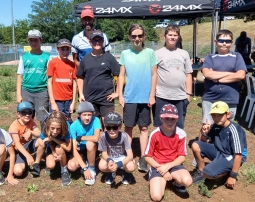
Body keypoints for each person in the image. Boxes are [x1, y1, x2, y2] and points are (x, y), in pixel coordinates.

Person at [118, 23, 158, 173]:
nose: (137, 38)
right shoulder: (124, 54)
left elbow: (154, 74)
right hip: (130, 97)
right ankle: (128, 155)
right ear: (129, 37)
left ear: (144, 37)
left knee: (144, 127)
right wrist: (120, 95)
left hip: (145, 97)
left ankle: (143, 156)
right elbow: (121, 75)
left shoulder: (150, 53)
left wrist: (152, 95)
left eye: (140, 36)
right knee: (128, 127)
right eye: (134, 36)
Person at [191, 101, 247, 189]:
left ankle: (227, 172)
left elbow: (238, 155)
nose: (216, 118)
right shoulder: (216, 125)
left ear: (228, 114)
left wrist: (233, 176)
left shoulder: (235, 129)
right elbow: (203, 143)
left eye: (219, 115)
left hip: (231, 156)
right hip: (219, 151)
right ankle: (201, 171)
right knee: (195, 145)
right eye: (213, 115)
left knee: (208, 173)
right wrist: (204, 133)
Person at [200, 29, 247, 134]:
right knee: (207, 126)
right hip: (210, 98)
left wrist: (216, 77)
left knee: (228, 128)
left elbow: (241, 75)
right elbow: (207, 74)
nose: (224, 43)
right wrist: (231, 74)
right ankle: (203, 148)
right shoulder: (210, 57)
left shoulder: (237, 56)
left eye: (228, 41)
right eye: (221, 40)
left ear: (232, 42)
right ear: (216, 41)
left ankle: (225, 149)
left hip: (230, 98)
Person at [145, 104, 193, 201]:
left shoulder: (181, 134)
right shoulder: (155, 134)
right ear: (161, 118)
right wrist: (162, 170)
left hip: (174, 164)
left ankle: (176, 182)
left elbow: (182, 157)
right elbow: (147, 157)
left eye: (172, 119)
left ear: (177, 119)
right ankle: (157, 178)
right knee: (156, 197)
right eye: (166, 118)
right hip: (158, 165)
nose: (169, 122)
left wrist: (168, 167)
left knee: (187, 181)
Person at [77, 30, 120, 129]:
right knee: (94, 125)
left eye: (99, 40)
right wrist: (81, 94)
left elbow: (118, 75)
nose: (97, 43)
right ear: (90, 42)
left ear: (103, 41)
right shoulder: (85, 59)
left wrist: (117, 92)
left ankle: (107, 143)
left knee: (108, 123)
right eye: (94, 40)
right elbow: (80, 77)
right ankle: (97, 143)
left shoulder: (109, 58)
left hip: (106, 98)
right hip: (90, 98)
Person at [153, 25, 193, 130]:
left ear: (178, 37)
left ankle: (176, 146)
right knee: (160, 125)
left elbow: (188, 74)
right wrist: (152, 94)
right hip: (161, 96)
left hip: (180, 97)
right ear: (164, 37)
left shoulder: (184, 54)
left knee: (178, 126)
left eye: (175, 35)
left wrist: (188, 94)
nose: (172, 37)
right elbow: (153, 74)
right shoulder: (157, 54)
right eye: (170, 35)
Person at [16, 29, 49, 126]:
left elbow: (49, 77)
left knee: (44, 118)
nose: (33, 42)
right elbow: (19, 76)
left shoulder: (47, 57)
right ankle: (26, 139)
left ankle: (44, 139)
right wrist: (19, 94)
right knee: (25, 117)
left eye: (36, 40)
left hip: (42, 92)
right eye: (31, 40)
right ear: (28, 41)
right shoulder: (24, 57)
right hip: (26, 91)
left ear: (41, 40)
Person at [67, 101, 101, 186]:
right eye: (84, 115)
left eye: (89, 115)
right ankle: (85, 165)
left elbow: (96, 138)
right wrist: (85, 168)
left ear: (93, 114)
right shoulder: (73, 126)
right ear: (79, 115)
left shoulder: (96, 120)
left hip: (93, 149)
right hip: (80, 151)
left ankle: (92, 169)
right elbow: (74, 150)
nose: (87, 118)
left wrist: (80, 138)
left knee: (90, 143)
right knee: (71, 166)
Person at [9, 101, 45, 177]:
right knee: (18, 172)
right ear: (18, 114)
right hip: (17, 150)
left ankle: (36, 164)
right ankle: (23, 160)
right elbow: (17, 144)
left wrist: (30, 132)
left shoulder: (31, 122)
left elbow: (40, 134)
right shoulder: (14, 126)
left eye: (29, 112)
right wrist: (28, 156)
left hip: (27, 146)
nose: (27, 115)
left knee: (41, 141)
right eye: (24, 112)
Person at [98, 112, 135, 185]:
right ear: (105, 127)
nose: (111, 130)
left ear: (120, 127)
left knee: (131, 167)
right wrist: (109, 160)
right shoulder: (103, 136)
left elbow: (130, 156)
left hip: (122, 158)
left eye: (115, 127)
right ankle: (111, 172)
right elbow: (104, 153)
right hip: (110, 157)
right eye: (108, 127)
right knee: (101, 166)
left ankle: (126, 172)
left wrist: (118, 164)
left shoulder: (124, 136)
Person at [47, 38, 77, 123]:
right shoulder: (53, 63)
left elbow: (75, 83)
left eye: (67, 49)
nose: (65, 52)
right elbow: (49, 83)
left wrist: (73, 102)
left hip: (68, 100)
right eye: (62, 49)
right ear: (57, 49)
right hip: (57, 100)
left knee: (66, 122)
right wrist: (53, 102)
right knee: (56, 122)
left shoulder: (72, 64)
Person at [40, 111, 72, 186]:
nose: (55, 131)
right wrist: (54, 153)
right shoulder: (44, 129)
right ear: (48, 126)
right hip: (51, 147)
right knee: (50, 165)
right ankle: (55, 162)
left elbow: (68, 148)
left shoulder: (66, 127)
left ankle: (64, 170)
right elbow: (49, 143)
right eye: (52, 128)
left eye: (58, 129)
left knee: (59, 149)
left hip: (62, 148)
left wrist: (53, 138)